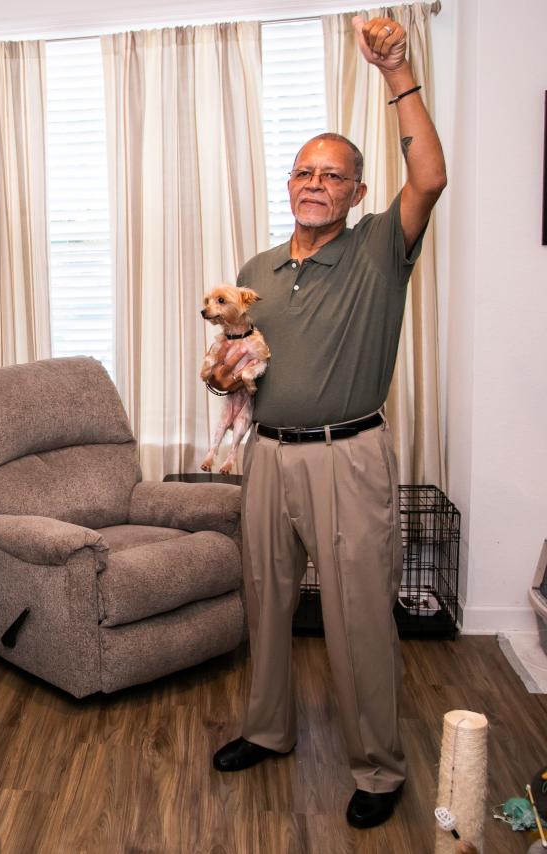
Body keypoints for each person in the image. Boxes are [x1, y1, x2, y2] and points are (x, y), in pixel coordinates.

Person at [207, 15, 446, 830]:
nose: (315, 183)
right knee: (265, 600)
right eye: (304, 172)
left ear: (357, 192)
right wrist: (225, 375)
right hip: (266, 456)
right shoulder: (256, 271)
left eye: (333, 175)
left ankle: (378, 769)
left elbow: (432, 177)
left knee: (356, 617)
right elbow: (243, 363)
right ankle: (269, 730)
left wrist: (396, 74)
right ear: (290, 185)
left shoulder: (381, 248)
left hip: (349, 458)